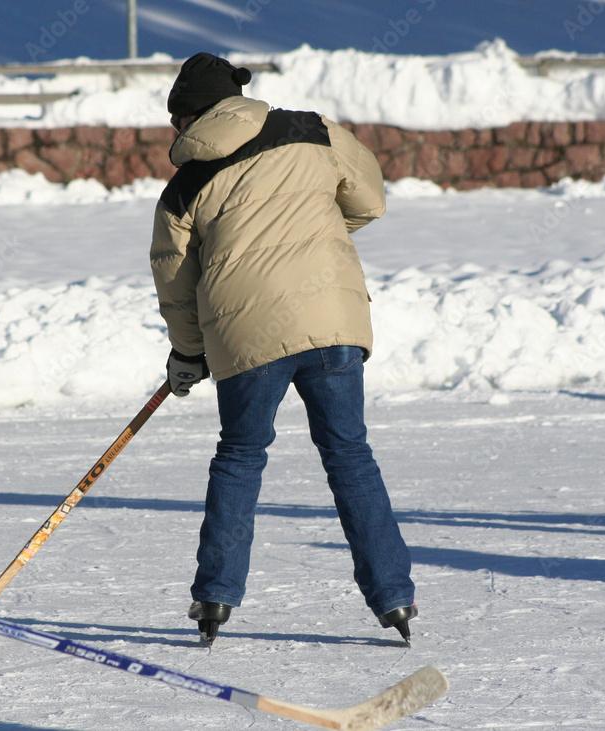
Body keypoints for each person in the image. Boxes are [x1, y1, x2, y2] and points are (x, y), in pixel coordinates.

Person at [150, 53, 416, 645]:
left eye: (177, 122)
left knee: (241, 457)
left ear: (192, 115)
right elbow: (368, 201)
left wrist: (188, 354)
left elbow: (176, 281)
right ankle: (394, 597)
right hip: (332, 318)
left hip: (244, 333)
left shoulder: (182, 187)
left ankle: (215, 598)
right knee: (349, 454)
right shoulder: (313, 129)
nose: (177, 134)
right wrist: (313, 235)